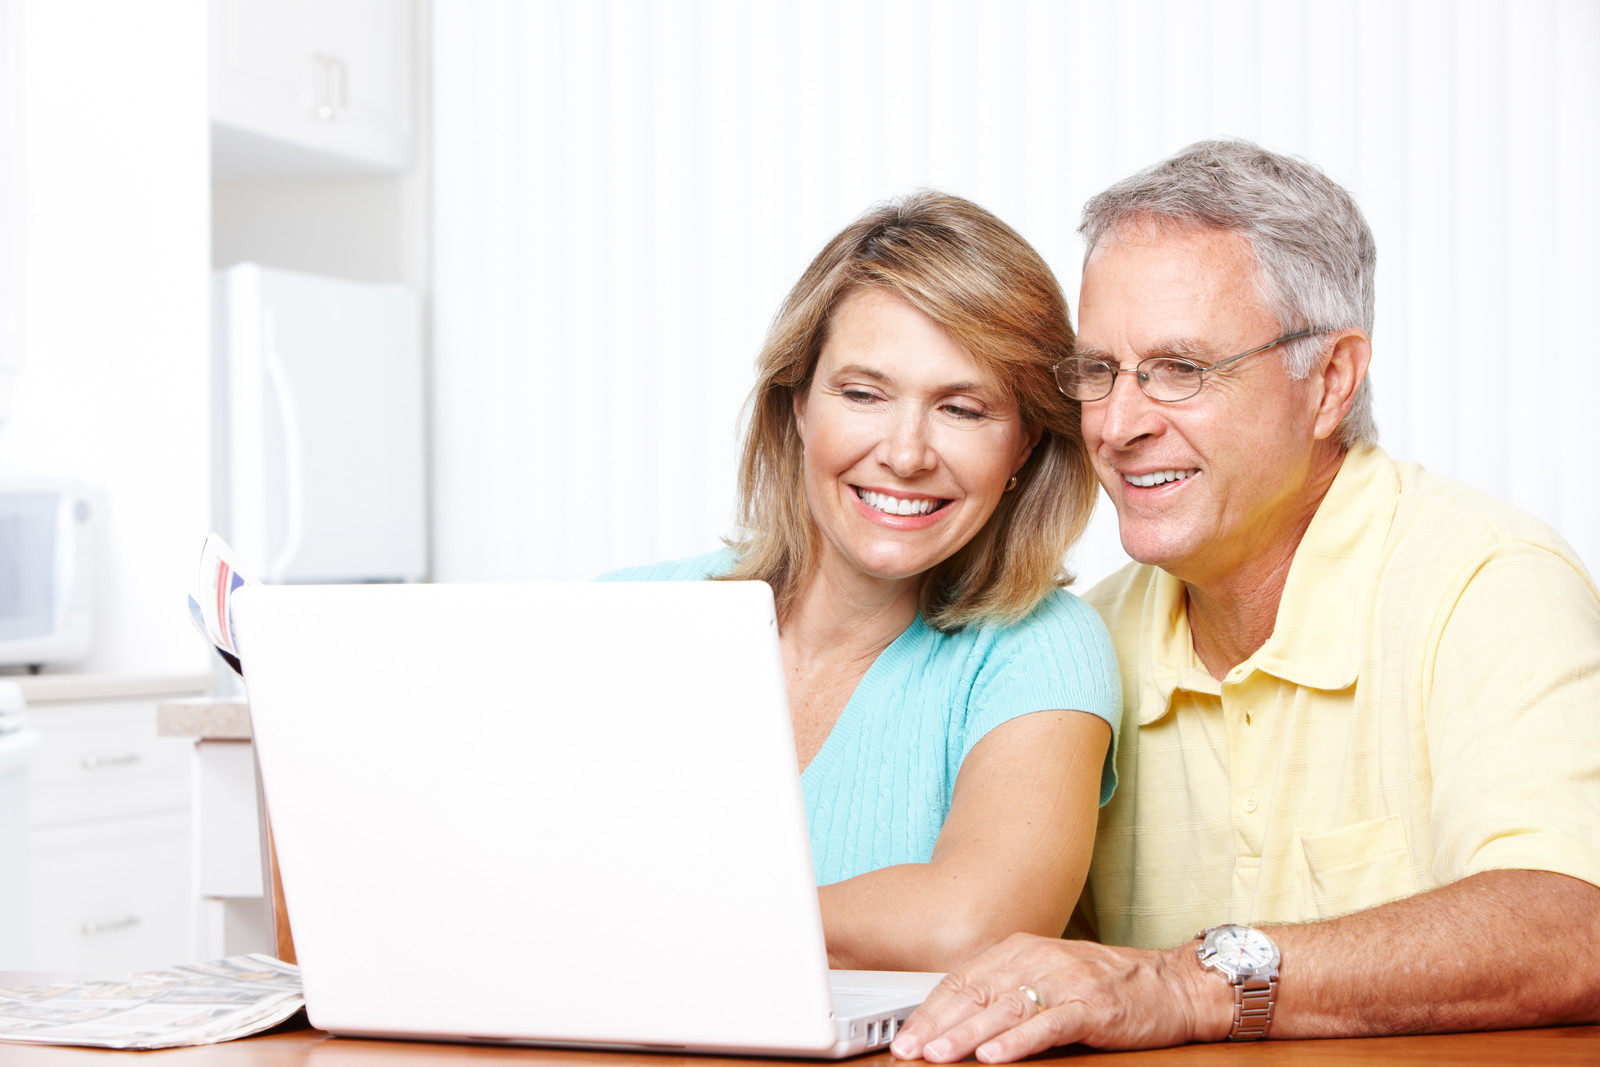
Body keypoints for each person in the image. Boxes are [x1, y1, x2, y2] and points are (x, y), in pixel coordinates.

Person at [891, 140, 1600, 1060]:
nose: (1118, 423)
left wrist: (1189, 982)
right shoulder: (1079, 642)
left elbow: (1570, 923)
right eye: (1099, 369)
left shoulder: (1487, 580)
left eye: (1180, 368)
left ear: (1330, 382)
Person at [603, 191, 1121, 972]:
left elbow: (975, 927)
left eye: (962, 407)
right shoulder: (623, 619)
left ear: (1023, 447)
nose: (906, 453)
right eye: (864, 393)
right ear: (799, 407)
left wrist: (665, 923)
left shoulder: (1043, 649)